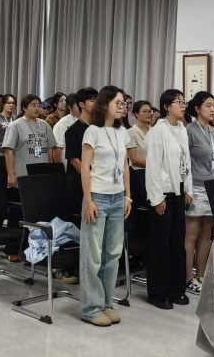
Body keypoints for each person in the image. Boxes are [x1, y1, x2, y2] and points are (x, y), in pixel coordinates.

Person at [79, 86, 132, 327]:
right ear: (105, 104)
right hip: (98, 197)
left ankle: (106, 303)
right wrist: (88, 200)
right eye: (118, 103)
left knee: (112, 254)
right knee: (93, 255)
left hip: (117, 197)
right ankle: (91, 308)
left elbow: (125, 166)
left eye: (124, 104)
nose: (122, 107)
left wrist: (128, 196)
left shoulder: (122, 132)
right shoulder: (92, 132)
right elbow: (85, 168)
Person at [145, 89, 192, 310]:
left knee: (177, 242)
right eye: (178, 102)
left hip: (179, 190)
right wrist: (157, 198)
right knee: (161, 244)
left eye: (184, 102)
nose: (182, 106)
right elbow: (153, 167)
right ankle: (158, 293)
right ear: (166, 107)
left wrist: (188, 189)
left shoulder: (182, 128)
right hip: (162, 193)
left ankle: (176, 289)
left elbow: (186, 162)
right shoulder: (158, 131)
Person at [183, 92, 214, 296]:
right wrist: (186, 189)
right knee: (192, 234)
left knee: (207, 233)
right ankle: (188, 277)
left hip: (212, 188)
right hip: (195, 187)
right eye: (208, 105)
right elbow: (184, 162)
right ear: (197, 109)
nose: (212, 109)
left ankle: (201, 275)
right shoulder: (189, 130)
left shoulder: (212, 131)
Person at [2, 94, 57, 188]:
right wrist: (10, 175)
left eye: (39, 105)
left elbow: (50, 148)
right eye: (33, 105)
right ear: (24, 108)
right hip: (23, 173)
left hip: (42, 173)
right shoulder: (15, 126)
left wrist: (50, 170)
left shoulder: (44, 125)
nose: (37, 108)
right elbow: (8, 152)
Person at [65, 87, 98, 224]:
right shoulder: (73, 131)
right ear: (81, 104)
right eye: (92, 101)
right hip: (79, 182)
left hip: (97, 180)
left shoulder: (98, 128)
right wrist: (91, 177)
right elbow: (74, 160)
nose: (96, 104)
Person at [52, 92, 79, 165]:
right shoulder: (62, 124)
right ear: (69, 107)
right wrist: (60, 169)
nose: (80, 106)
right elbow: (57, 149)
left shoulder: (88, 122)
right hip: (67, 166)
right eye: (76, 104)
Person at [126, 101, 152, 169]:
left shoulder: (154, 131)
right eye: (145, 111)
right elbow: (134, 159)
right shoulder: (131, 132)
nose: (148, 114)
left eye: (149, 111)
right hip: (138, 171)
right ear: (136, 113)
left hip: (155, 172)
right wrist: (153, 166)